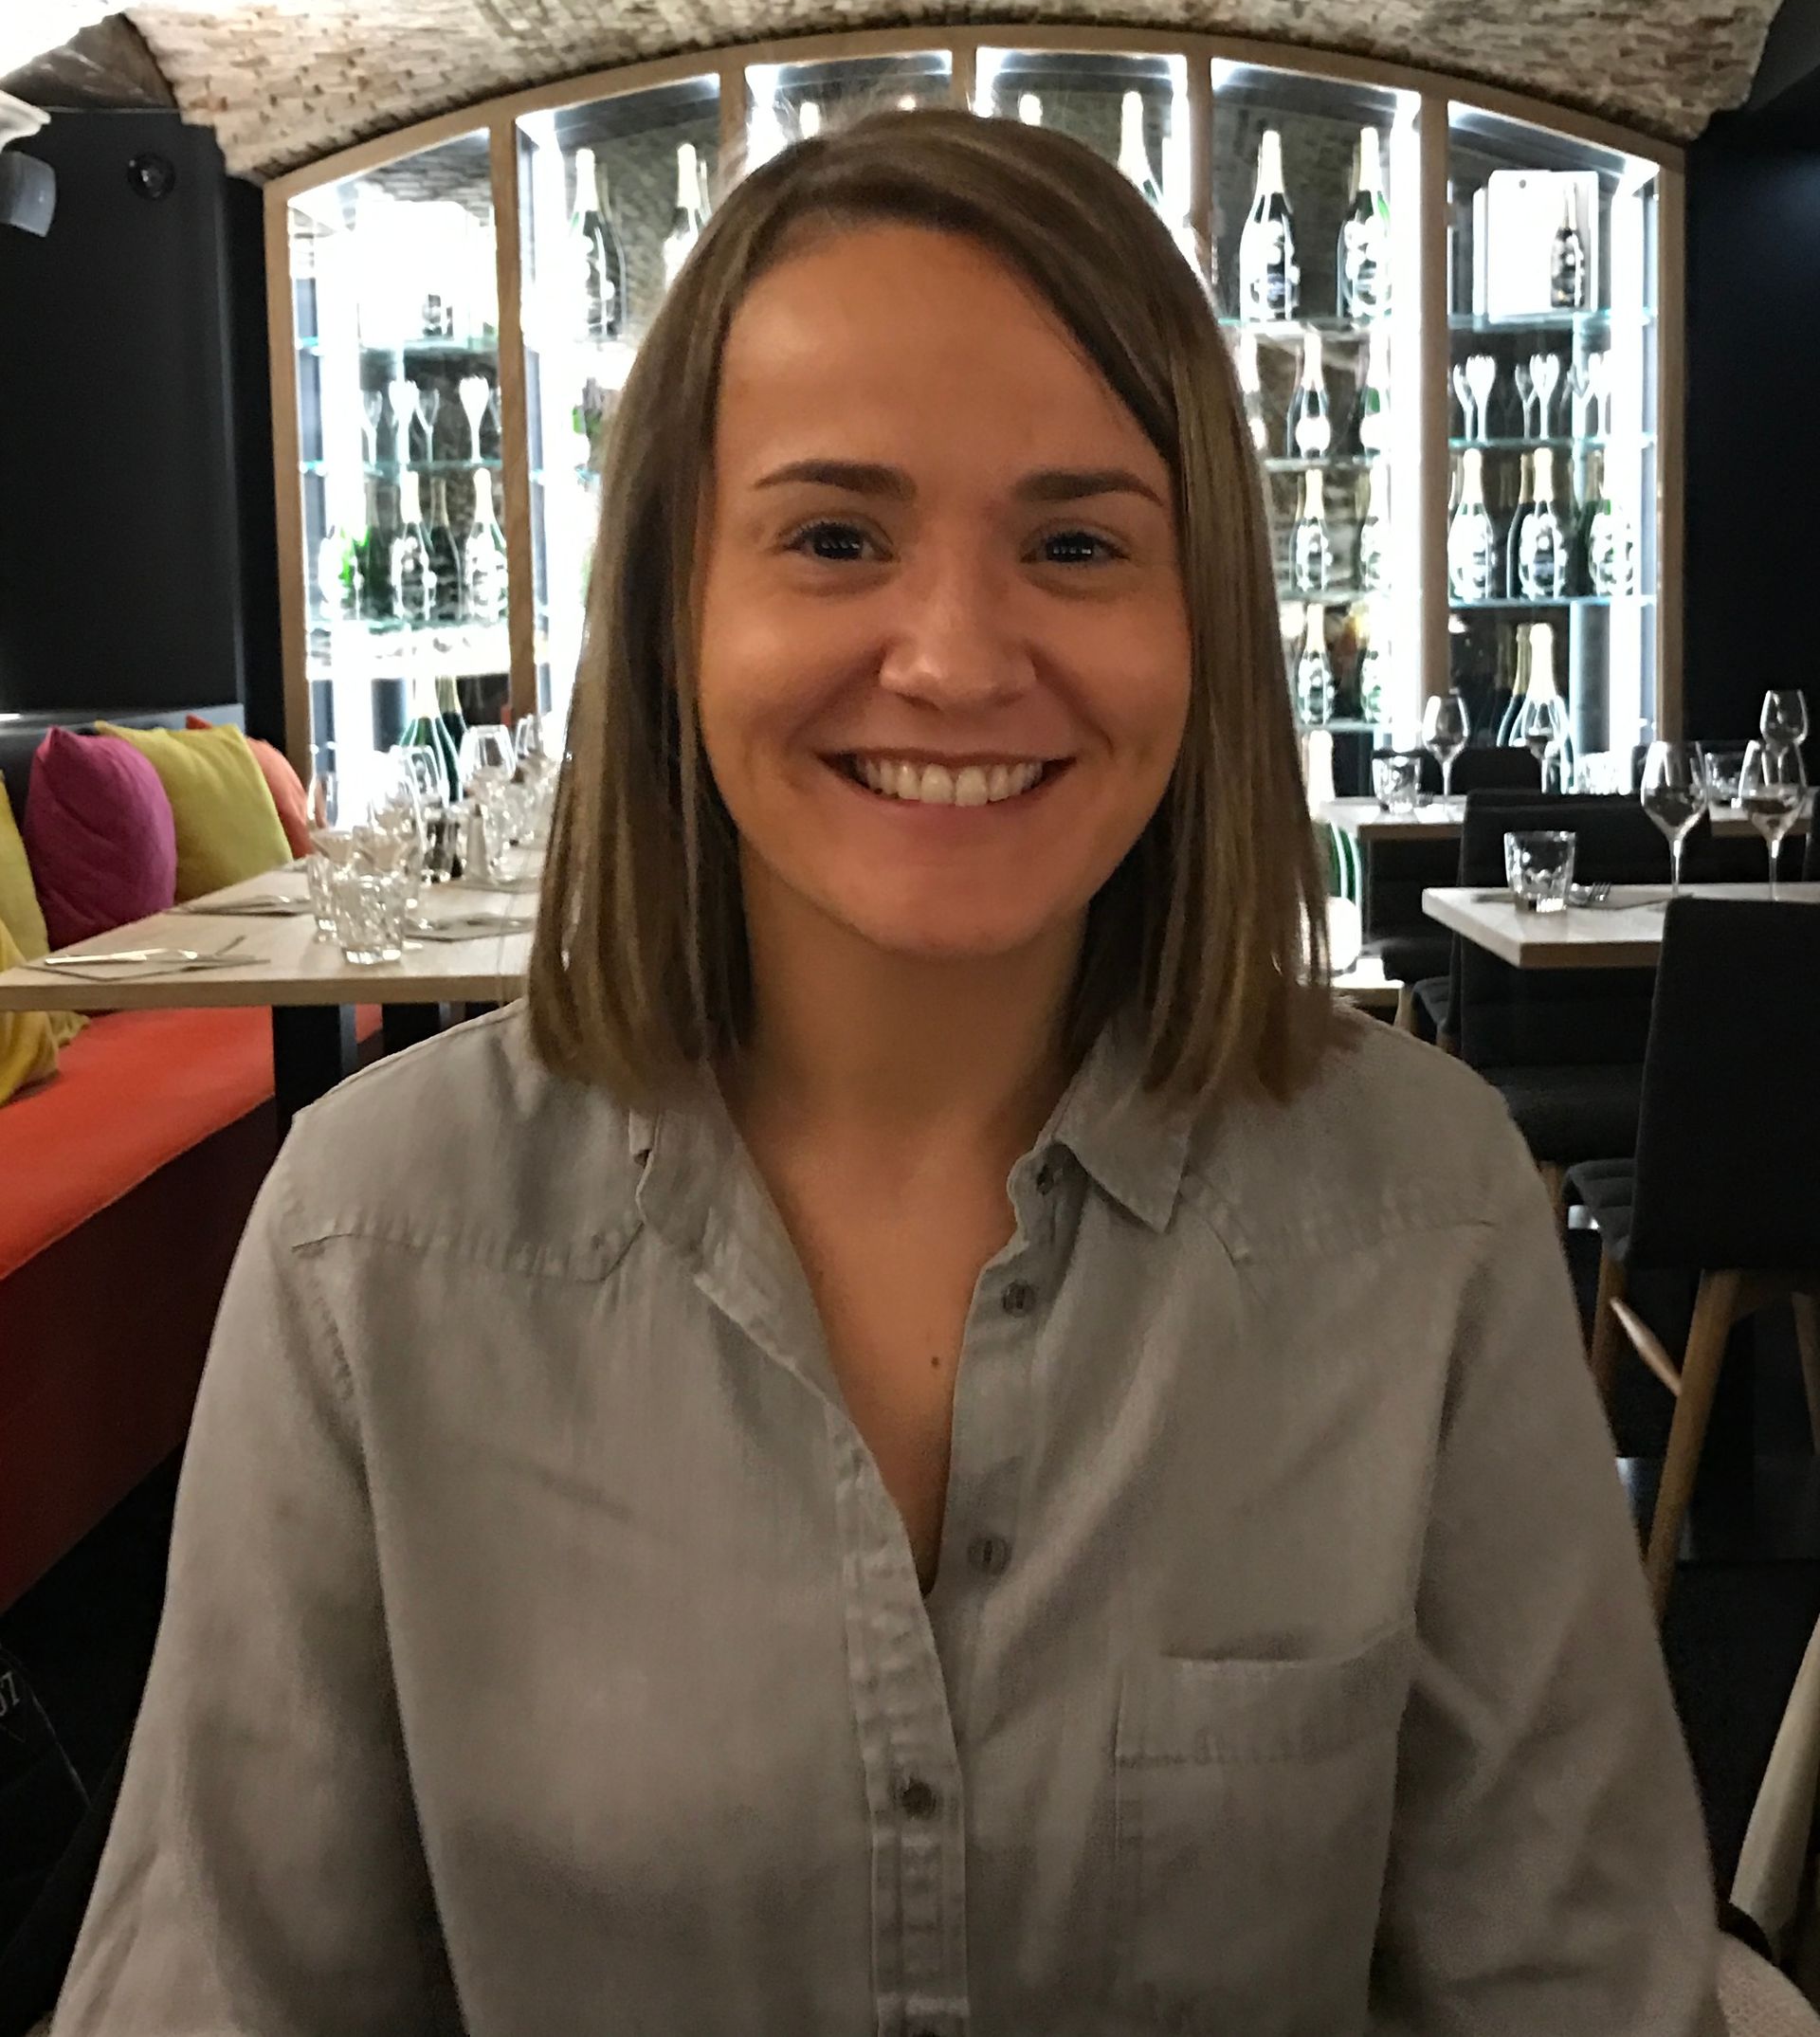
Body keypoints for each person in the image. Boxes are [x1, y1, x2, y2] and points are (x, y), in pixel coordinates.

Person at [49, 109, 1720, 2036]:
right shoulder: (371, 1246)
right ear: (674, 609)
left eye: (1076, 543)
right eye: (836, 537)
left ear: (1203, 622)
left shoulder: (1428, 1210)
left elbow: (1577, 1983)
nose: (955, 658)